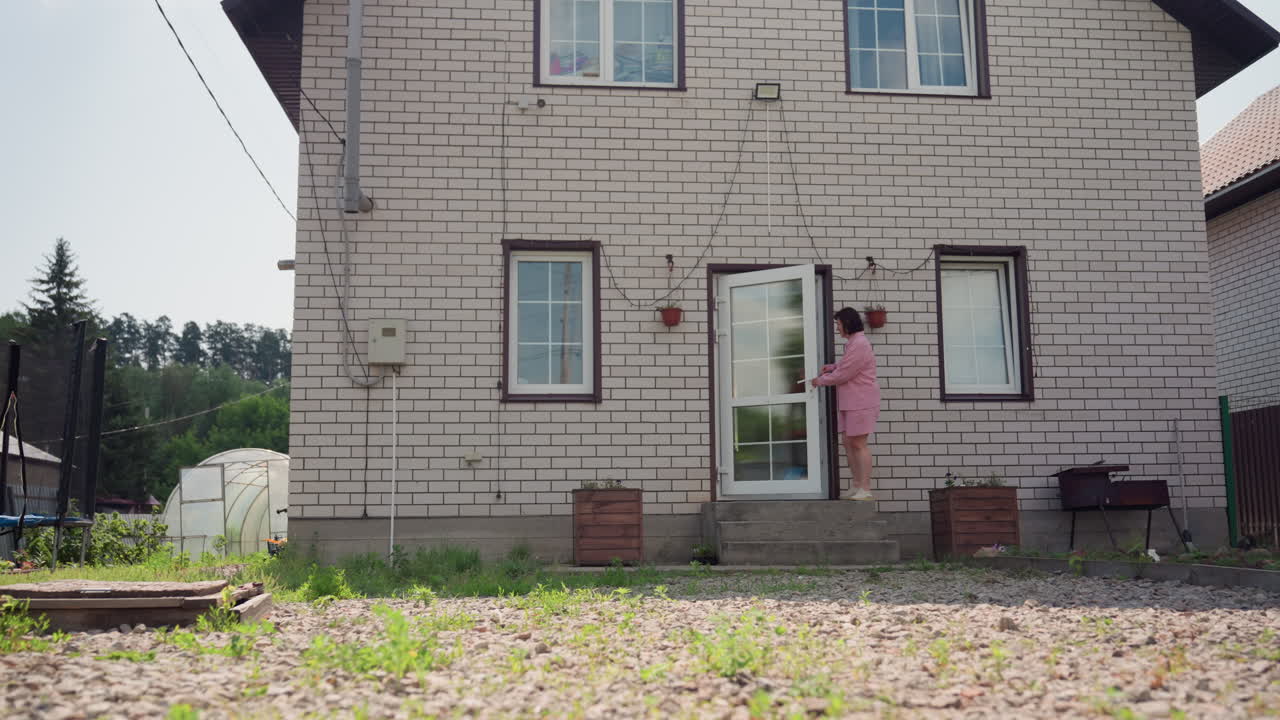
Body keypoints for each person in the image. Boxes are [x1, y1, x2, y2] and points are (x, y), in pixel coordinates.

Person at [811, 307, 880, 501]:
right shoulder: (853, 343)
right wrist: (833, 367)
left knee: (858, 443)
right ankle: (857, 485)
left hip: (861, 401)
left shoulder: (859, 343)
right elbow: (848, 366)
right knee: (849, 442)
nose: (837, 328)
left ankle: (865, 489)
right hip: (851, 401)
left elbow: (846, 374)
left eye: (838, 324)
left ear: (847, 323)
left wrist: (820, 381)